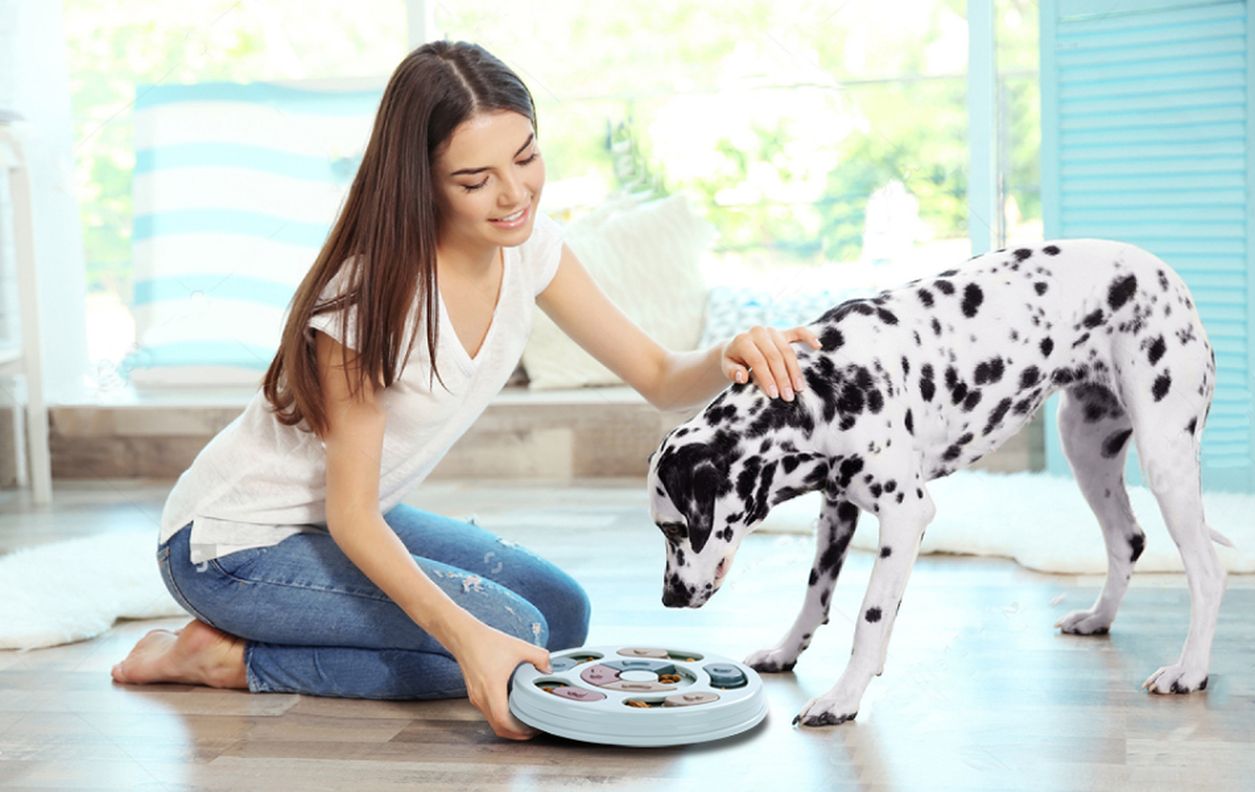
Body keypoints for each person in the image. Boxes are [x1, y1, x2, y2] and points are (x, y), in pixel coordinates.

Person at [110, 40, 820, 741]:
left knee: (560, 616)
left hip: (336, 522)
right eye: (475, 181)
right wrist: (467, 641)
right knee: (510, 635)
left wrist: (729, 353)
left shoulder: (531, 248)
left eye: (526, 157)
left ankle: (275, 642)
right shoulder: (366, 304)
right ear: (420, 182)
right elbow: (353, 518)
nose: (514, 195)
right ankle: (223, 660)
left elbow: (660, 377)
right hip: (231, 546)